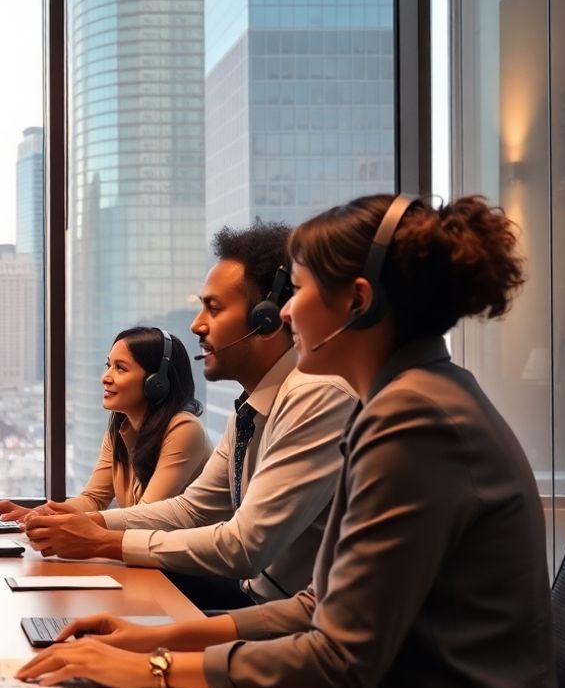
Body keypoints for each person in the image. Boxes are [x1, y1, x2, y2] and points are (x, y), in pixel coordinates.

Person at [18, 194, 563, 688]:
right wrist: (156, 639)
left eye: (297, 291)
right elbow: (317, 605)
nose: (282, 313)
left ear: (357, 302)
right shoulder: (410, 400)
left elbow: (339, 658)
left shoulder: (416, 421)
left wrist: (154, 669)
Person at [21, 222, 357, 610]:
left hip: (286, 614)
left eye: (213, 308)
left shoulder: (316, 395)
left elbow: (245, 547)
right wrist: (90, 525)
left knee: (115, 609)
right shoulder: (252, 407)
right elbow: (192, 509)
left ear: (266, 319)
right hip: (255, 596)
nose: (197, 324)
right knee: (98, 601)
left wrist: (102, 540)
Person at [0, 327, 210, 520]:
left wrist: (68, 523)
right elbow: (93, 499)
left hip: (187, 573)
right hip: (150, 562)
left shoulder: (183, 429)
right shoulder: (121, 429)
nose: (105, 377)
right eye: (109, 365)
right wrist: (34, 515)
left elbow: (146, 517)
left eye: (120, 368)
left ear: (157, 382)